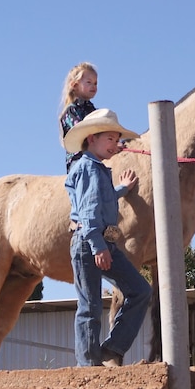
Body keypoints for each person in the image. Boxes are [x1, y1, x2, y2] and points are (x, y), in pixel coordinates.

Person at [63, 108, 152, 367]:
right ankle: (88, 365)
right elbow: (89, 211)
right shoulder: (88, 169)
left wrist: (121, 190)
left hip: (102, 242)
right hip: (90, 243)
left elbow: (101, 201)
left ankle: (111, 349)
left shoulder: (98, 169)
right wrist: (98, 246)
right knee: (89, 306)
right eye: (110, 139)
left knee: (140, 291)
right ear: (92, 138)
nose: (116, 145)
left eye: (117, 140)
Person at [59, 62, 99, 172]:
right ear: (75, 85)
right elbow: (81, 131)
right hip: (79, 160)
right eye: (89, 82)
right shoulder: (71, 111)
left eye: (95, 83)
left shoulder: (93, 110)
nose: (94, 86)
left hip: (94, 158)